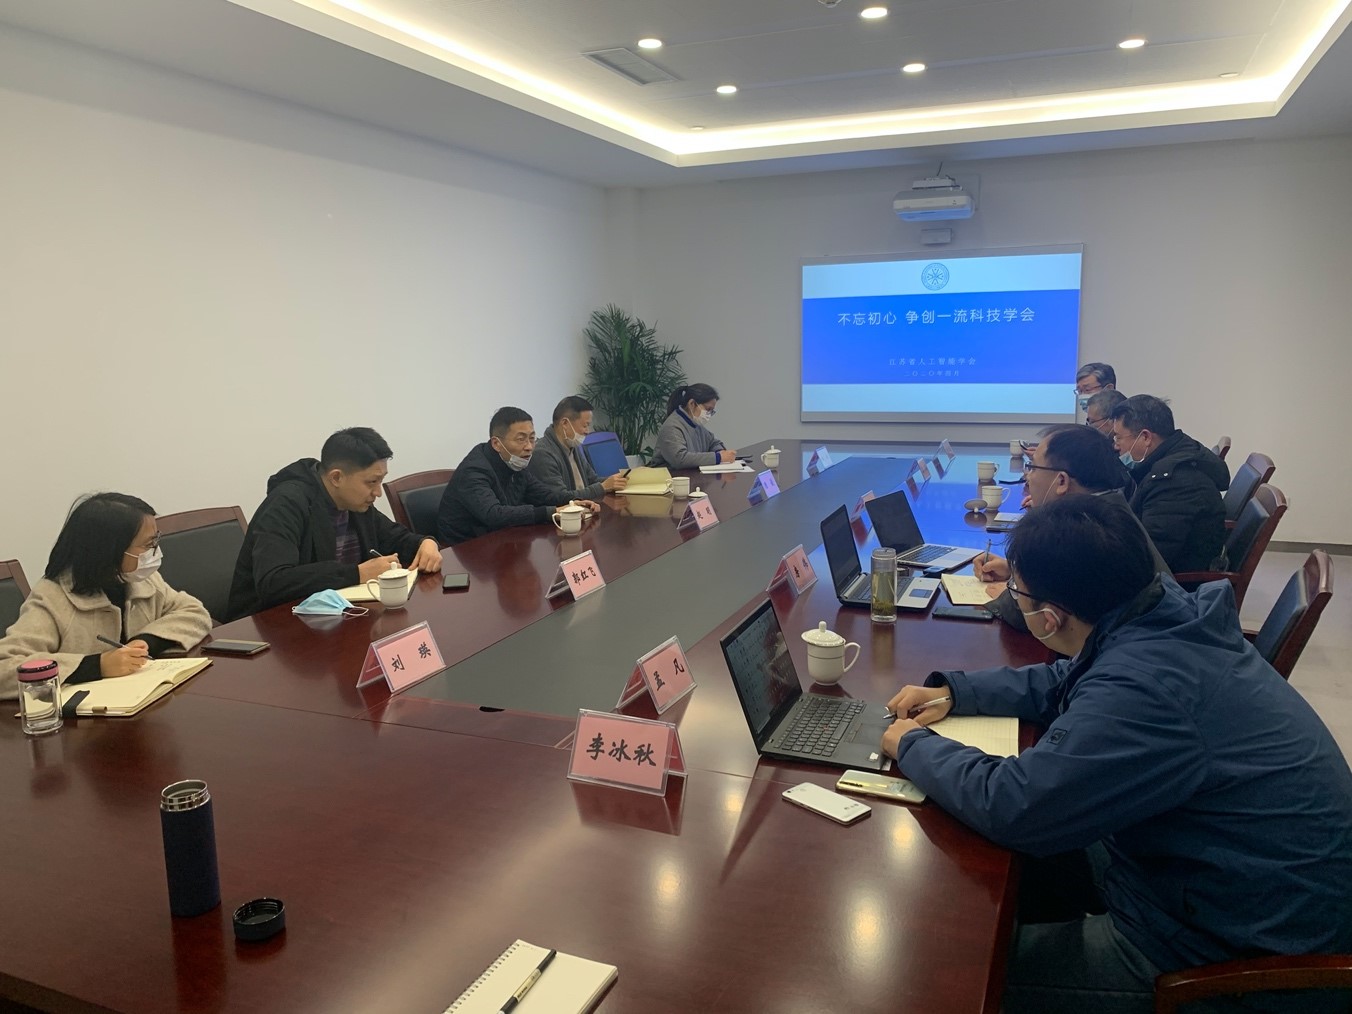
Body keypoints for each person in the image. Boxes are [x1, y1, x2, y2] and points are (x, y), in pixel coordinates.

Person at [882, 494, 1352, 1014]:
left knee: (952, 974)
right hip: (1209, 881)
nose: (1015, 598)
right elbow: (1072, 676)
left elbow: (1017, 805)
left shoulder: (1148, 689)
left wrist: (913, 744)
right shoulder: (1161, 615)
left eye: (1018, 591)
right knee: (997, 878)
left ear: (1050, 618)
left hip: (1232, 958)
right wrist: (957, 692)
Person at [1, 493, 212, 700]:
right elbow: (5, 667)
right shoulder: (52, 596)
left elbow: (194, 612)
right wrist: (97, 665)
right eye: (147, 544)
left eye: (156, 540)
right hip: (81, 718)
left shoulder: (139, 579)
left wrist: (146, 641)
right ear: (109, 550)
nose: (155, 551)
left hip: (140, 702)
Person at [227, 427, 442, 620]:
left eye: (381, 480)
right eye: (371, 482)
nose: (378, 492)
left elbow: (394, 537)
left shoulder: (356, 503)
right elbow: (273, 582)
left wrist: (425, 543)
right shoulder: (286, 504)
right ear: (336, 478)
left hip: (338, 618)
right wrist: (356, 574)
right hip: (271, 627)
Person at [975, 426, 1164, 629]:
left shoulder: (1081, 529)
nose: (1027, 477)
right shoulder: (1109, 508)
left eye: (1033, 467)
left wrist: (1012, 592)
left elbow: (1024, 614)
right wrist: (1015, 571)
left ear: (1062, 481)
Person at [437, 407, 600, 545]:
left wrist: (572, 502)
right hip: (465, 551)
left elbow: (543, 495)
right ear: (496, 444)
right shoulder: (474, 471)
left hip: (503, 540)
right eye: (521, 439)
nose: (529, 447)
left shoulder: (514, 463)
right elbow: (494, 515)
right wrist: (553, 512)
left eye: (532, 439)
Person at [1108, 394, 1229, 573]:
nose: (1115, 446)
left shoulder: (1175, 483)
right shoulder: (1176, 453)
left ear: (1146, 437)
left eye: (1118, 438)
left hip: (1177, 582)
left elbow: (1151, 556)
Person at [526, 395, 629, 502]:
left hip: (585, 507)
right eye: (585, 426)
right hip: (565, 511)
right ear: (565, 423)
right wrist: (603, 487)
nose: (588, 431)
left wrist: (616, 481)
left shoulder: (573, 446)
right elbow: (561, 497)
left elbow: (592, 480)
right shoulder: (543, 453)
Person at [648, 383, 737, 469]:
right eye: (708, 409)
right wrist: (718, 457)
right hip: (666, 476)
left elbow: (713, 442)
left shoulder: (695, 424)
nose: (709, 414)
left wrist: (720, 451)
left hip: (689, 475)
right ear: (692, 404)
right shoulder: (672, 427)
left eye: (711, 411)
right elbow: (679, 459)